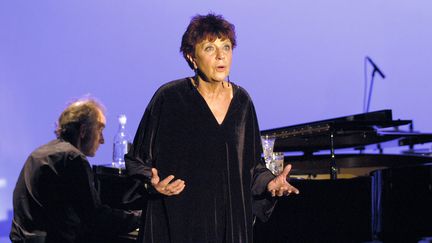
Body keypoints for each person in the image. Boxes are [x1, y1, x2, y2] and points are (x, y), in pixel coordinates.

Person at [125, 13, 299, 243]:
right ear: (191, 57)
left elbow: (252, 168)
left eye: (226, 47)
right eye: (209, 48)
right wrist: (152, 182)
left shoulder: (242, 102)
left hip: (229, 224)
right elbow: (136, 161)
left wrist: (270, 182)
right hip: (178, 222)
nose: (221, 55)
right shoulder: (169, 98)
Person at [10, 98, 140, 243]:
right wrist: (141, 218)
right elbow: (96, 217)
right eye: (100, 129)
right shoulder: (72, 159)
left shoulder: (39, 154)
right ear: (83, 130)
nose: (102, 140)